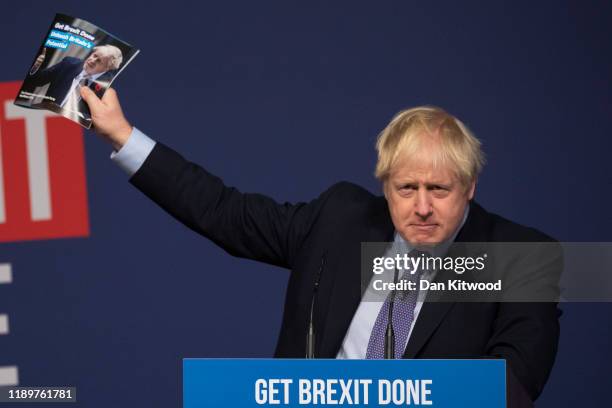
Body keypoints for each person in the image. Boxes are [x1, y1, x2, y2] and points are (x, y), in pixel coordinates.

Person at [80, 87, 561, 406]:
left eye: (439, 190)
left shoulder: (521, 256)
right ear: (384, 183)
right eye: (405, 188)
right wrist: (123, 135)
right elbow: (224, 212)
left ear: (470, 186)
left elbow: (510, 388)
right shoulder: (341, 218)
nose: (421, 208)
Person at [27, 45, 123, 114]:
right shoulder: (69, 64)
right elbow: (37, 80)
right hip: (46, 115)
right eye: (94, 55)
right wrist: (36, 67)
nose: (92, 60)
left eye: (99, 61)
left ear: (106, 68)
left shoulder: (106, 87)